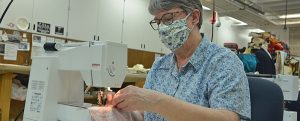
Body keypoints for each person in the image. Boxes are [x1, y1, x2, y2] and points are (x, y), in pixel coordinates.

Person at [111, 0, 251, 121]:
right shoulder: (160, 65)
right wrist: (117, 112)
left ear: (194, 17)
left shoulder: (223, 62)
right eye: (158, 22)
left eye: (168, 19)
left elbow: (228, 118)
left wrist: (157, 102)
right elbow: (147, 114)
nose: (162, 28)